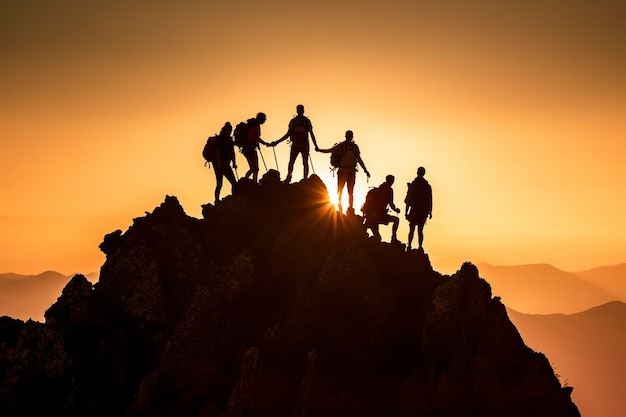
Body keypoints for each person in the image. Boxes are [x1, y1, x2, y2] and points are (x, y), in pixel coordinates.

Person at [316, 130, 370, 214]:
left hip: (349, 172)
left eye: (350, 136)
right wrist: (319, 150)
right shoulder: (343, 146)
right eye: (349, 136)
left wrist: (365, 170)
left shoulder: (353, 147)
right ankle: (342, 208)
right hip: (345, 171)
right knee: (342, 191)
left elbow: (359, 159)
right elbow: (330, 150)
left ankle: (349, 208)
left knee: (349, 192)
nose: (349, 137)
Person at [271, 104, 319, 183]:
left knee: (296, 161)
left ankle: (295, 177)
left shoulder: (298, 121)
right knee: (300, 162)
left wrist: (276, 142)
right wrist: (315, 146)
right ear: (302, 110)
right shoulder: (302, 121)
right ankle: (302, 178)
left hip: (299, 144)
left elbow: (288, 134)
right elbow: (311, 134)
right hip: (301, 144)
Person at [363, 175, 401, 243]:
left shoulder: (378, 190)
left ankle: (365, 237)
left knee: (377, 236)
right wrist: (396, 210)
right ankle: (393, 237)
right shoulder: (389, 190)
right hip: (379, 215)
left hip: (372, 216)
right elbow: (391, 204)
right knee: (396, 220)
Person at [404, 167, 432, 251]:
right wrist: (430, 211)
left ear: (417, 172)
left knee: (412, 229)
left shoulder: (414, 184)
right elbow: (430, 199)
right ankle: (420, 246)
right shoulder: (427, 186)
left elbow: (408, 199)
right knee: (420, 230)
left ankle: (409, 246)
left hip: (415, 209)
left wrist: (406, 212)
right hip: (423, 211)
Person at [212, 122, 238, 205]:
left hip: (222, 164)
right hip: (221, 164)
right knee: (225, 183)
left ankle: (218, 200)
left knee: (222, 183)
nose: (230, 132)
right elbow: (217, 151)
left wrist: (234, 163)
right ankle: (217, 200)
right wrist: (219, 163)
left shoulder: (227, 139)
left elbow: (232, 152)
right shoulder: (221, 139)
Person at [242, 112, 271, 183]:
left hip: (247, 148)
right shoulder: (256, 126)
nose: (264, 121)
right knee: (255, 169)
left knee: (253, 168)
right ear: (261, 119)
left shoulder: (253, 125)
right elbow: (256, 137)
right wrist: (264, 143)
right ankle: (252, 182)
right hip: (250, 148)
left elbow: (254, 137)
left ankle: (247, 181)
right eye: (264, 119)